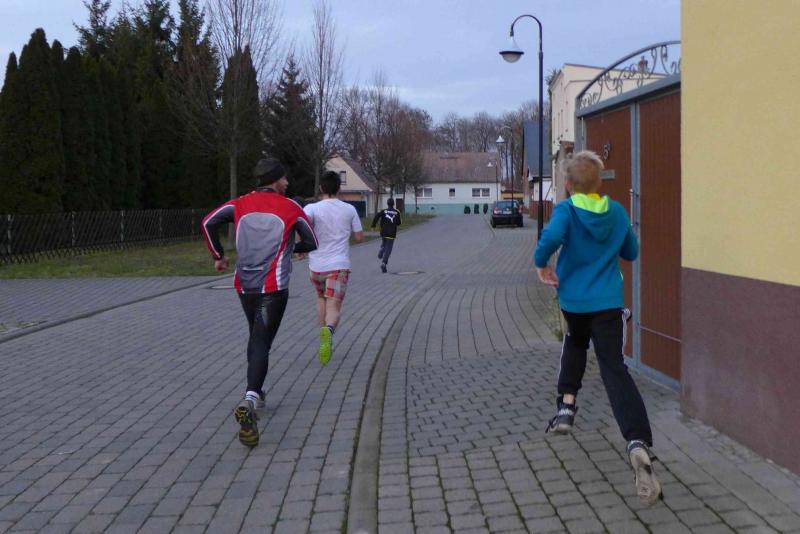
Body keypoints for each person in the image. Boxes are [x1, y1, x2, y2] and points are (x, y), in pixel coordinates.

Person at [533, 150, 662, 506]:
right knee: (613, 367)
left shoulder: (566, 210)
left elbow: (549, 240)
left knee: (575, 344)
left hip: (574, 301)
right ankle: (637, 442)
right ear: (599, 183)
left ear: (568, 184)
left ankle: (566, 407)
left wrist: (542, 264)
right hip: (607, 303)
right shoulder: (617, 212)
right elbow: (631, 252)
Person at [202, 158, 318, 448]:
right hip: (273, 287)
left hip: (244, 286)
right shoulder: (291, 207)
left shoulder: (239, 204)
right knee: (261, 341)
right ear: (276, 180)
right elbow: (312, 241)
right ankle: (250, 399)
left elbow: (208, 222)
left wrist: (218, 256)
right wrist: (292, 248)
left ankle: (258, 390)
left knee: (256, 337)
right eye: (284, 179)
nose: (287, 183)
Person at [302, 171, 364, 365]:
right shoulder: (349, 209)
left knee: (321, 298)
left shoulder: (311, 208)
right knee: (334, 305)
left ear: (321, 188)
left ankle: (323, 336)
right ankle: (328, 331)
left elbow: (301, 227)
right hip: (338, 266)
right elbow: (359, 237)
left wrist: (300, 249)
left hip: (316, 266)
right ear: (339, 188)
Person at [371, 198, 401, 273]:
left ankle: (381, 250)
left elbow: (377, 216)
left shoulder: (384, 211)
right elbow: (399, 223)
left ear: (387, 204)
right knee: (388, 249)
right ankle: (384, 264)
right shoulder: (397, 212)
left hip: (383, 232)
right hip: (392, 233)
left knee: (384, 244)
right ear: (393, 204)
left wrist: (373, 226)